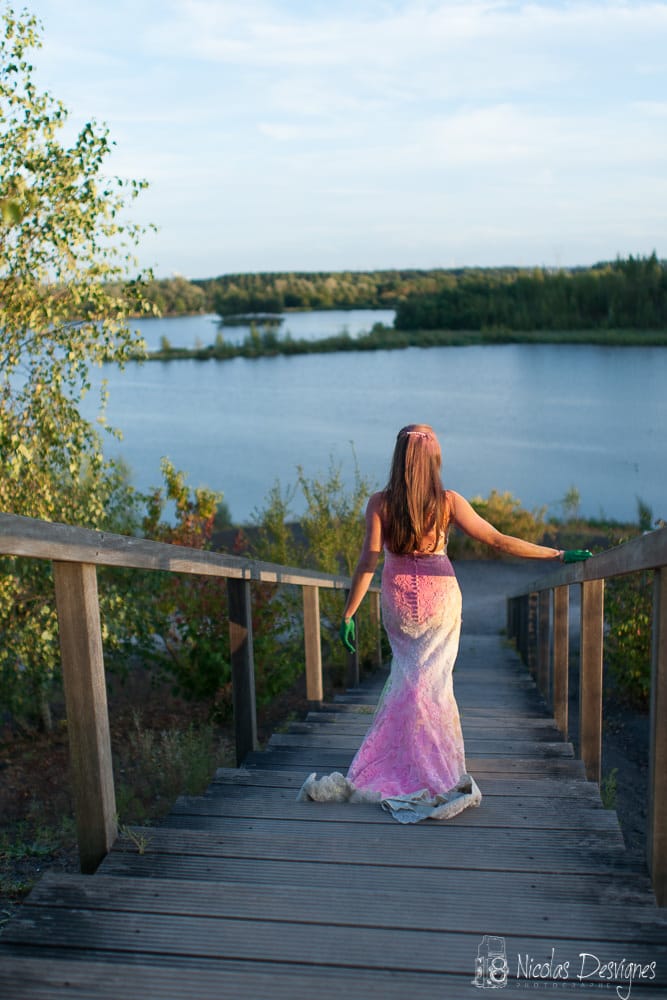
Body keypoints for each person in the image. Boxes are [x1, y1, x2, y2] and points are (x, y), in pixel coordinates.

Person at [297, 423, 591, 823]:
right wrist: (556, 554)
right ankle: (435, 766)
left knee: (407, 677)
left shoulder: (379, 503)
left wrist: (349, 613)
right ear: (434, 459)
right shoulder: (448, 502)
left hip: (398, 599)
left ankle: (406, 758)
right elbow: (497, 539)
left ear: (399, 458)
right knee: (433, 683)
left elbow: (368, 561)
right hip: (440, 600)